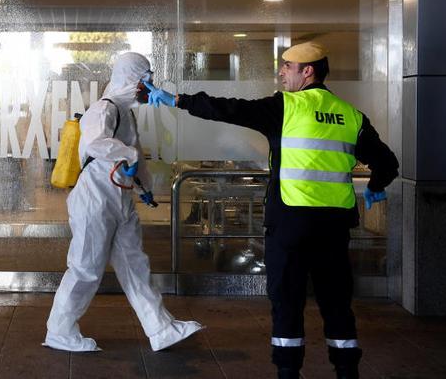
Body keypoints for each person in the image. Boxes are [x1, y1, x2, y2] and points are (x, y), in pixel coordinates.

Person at [144, 42, 399, 379]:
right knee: (337, 303)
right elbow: (388, 163)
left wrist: (178, 100)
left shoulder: (287, 107)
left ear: (307, 71)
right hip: (335, 228)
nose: (280, 72)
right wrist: (377, 187)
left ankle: (288, 372)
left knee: (287, 301)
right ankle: (346, 371)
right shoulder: (350, 115)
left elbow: (230, 109)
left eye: (287, 66)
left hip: (291, 223)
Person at [44, 52, 203, 353]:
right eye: (146, 79)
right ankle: (59, 330)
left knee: (135, 266)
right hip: (94, 199)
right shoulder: (103, 109)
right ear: (132, 78)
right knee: (86, 267)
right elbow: (95, 143)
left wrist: (145, 187)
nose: (149, 85)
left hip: (119, 198)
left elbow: (136, 153)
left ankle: (161, 329)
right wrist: (128, 156)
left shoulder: (126, 114)